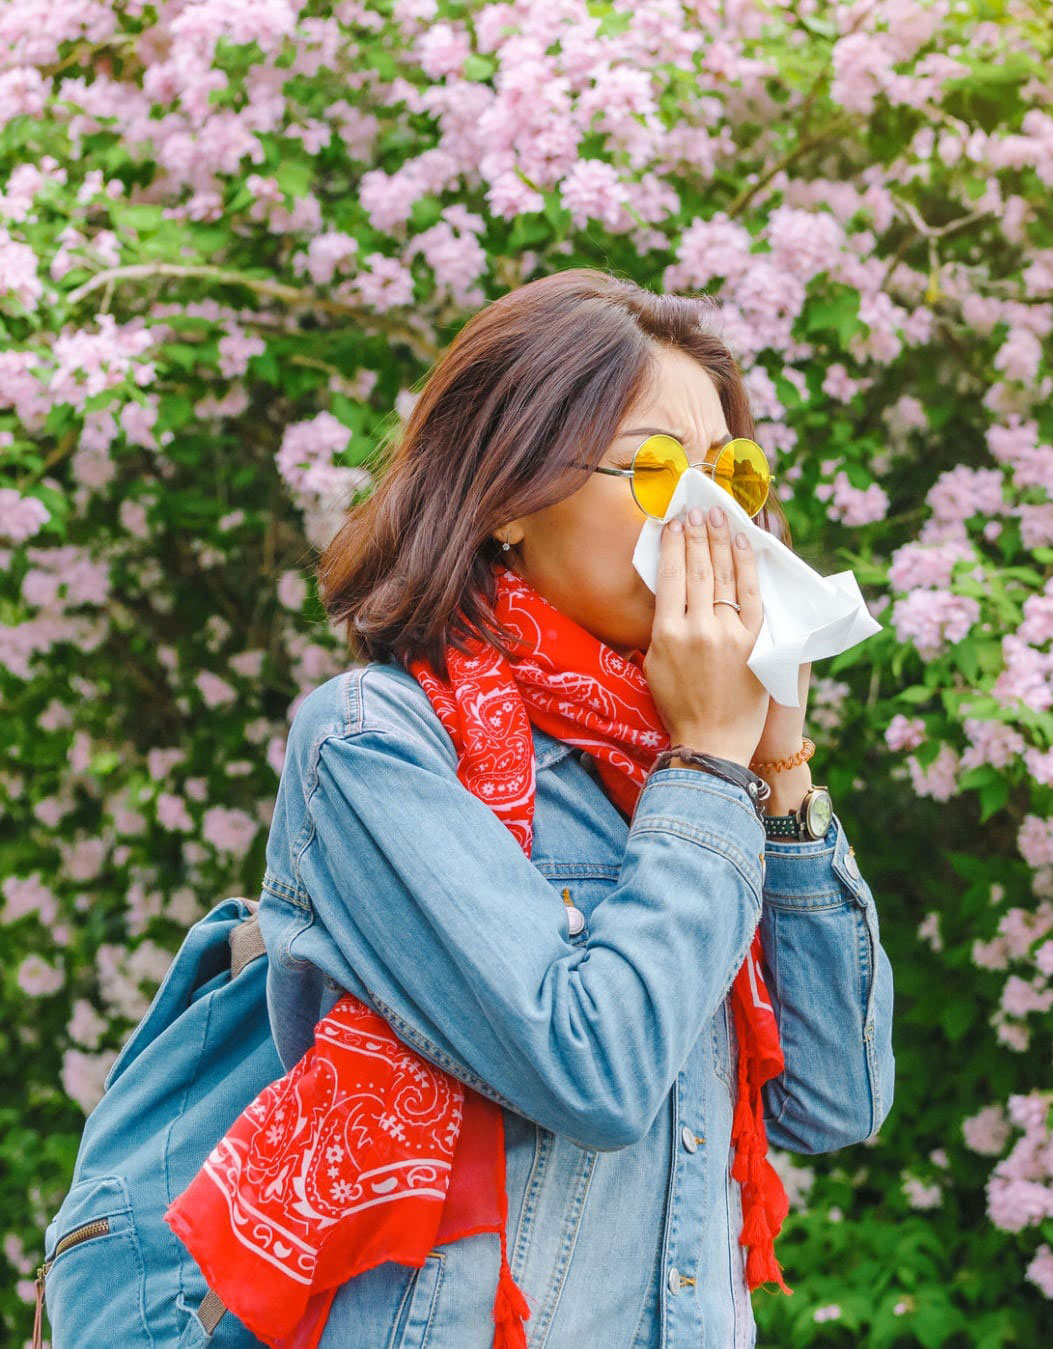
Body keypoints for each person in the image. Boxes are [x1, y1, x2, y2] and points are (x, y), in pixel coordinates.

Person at [250, 267, 895, 1347]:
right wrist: (709, 766)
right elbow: (590, 1068)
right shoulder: (377, 741)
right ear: (506, 497)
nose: (707, 515)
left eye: (728, 473)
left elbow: (835, 1100)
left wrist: (776, 770)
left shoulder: (685, 762)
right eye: (652, 469)